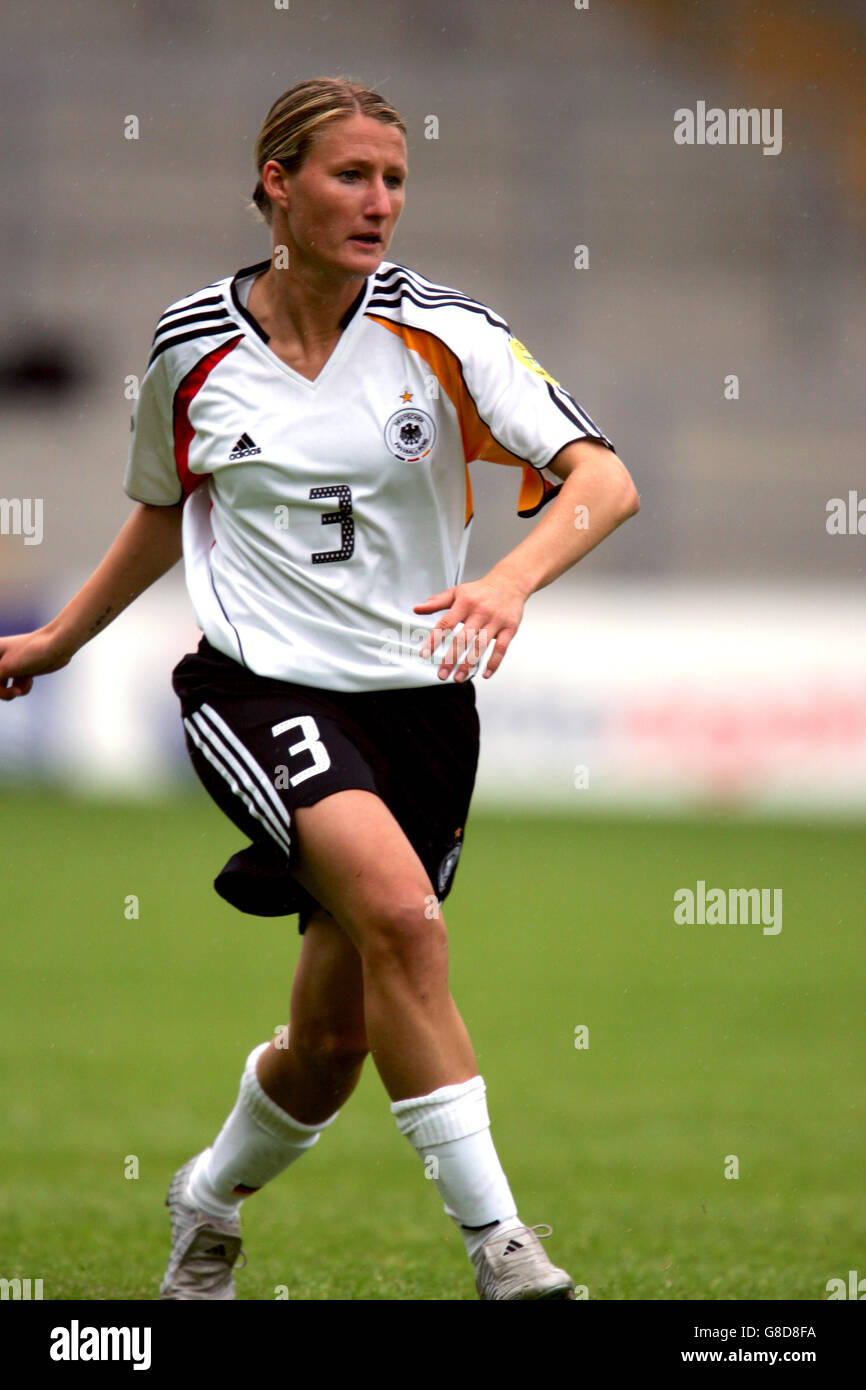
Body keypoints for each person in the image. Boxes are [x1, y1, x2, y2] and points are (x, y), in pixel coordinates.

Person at [0, 76, 639, 1301]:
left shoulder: (444, 333)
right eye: (352, 176)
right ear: (275, 185)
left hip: (421, 711)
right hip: (257, 692)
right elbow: (161, 510)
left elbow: (600, 481)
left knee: (334, 1044)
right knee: (407, 920)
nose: (380, 203)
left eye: (395, 180)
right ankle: (502, 1248)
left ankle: (207, 1195)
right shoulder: (189, 347)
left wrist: (505, 582)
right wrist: (64, 639)